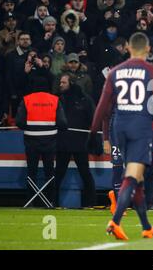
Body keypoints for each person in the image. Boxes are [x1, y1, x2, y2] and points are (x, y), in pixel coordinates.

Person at [88, 32, 153, 240]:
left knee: (137, 179)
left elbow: (103, 106)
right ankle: (116, 221)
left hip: (118, 127)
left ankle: (147, 226)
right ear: (148, 49)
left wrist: (93, 133)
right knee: (132, 175)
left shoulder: (115, 71)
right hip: (139, 127)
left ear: (129, 48)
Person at [15, 76, 68, 207]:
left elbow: (19, 122)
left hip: (31, 141)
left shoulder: (27, 100)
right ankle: (49, 201)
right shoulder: (55, 100)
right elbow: (62, 123)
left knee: (31, 172)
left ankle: (30, 201)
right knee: (49, 173)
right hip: (50, 141)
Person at [55, 74, 96, 208]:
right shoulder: (58, 98)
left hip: (80, 142)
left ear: (71, 83)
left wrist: (95, 140)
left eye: (63, 82)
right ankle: (52, 201)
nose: (60, 85)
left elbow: (93, 120)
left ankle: (89, 203)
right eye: (60, 82)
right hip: (63, 142)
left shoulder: (84, 99)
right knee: (58, 173)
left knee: (85, 173)